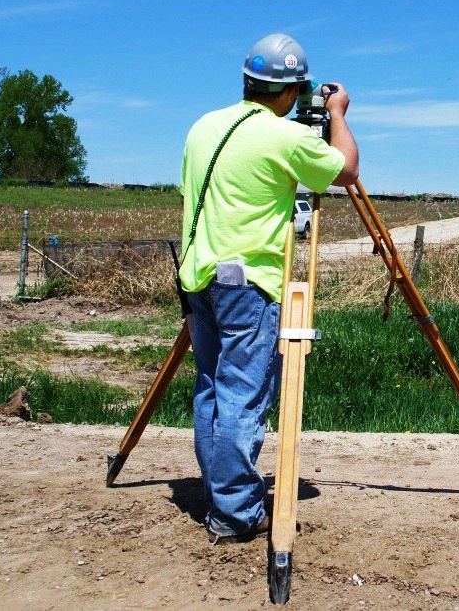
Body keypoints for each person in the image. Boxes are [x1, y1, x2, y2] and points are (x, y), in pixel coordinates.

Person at [178, 33, 359, 544]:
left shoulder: (203, 127)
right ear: (290, 91)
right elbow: (346, 169)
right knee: (242, 396)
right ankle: (235, 513)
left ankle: (220, 494)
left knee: (212, 389)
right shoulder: (285, 137)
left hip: (199, 278)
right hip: (248, 284)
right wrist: (338, 114)